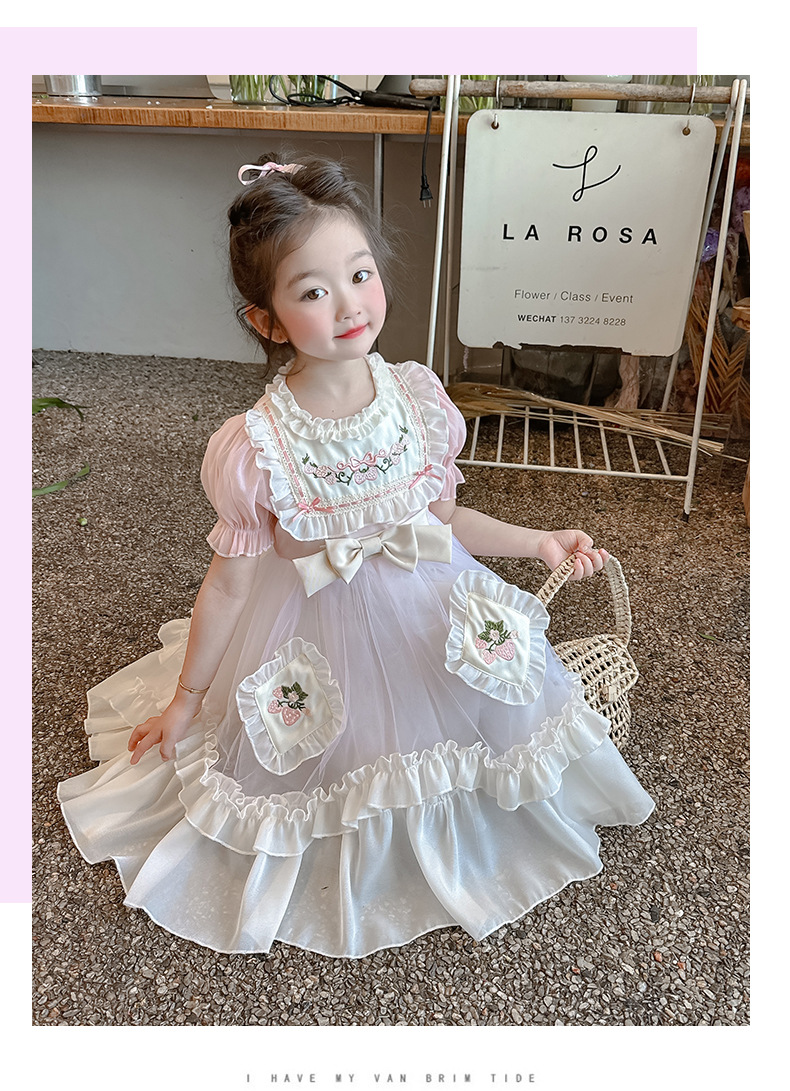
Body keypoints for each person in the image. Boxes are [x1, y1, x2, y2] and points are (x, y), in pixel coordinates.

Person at [58, 155, 654, 958]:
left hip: (427, 600)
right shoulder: (255, 448)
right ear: (267, 320)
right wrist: (188, 699)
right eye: (313, 291)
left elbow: (445, 521)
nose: (349, 305)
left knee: (494, 705)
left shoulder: (419, 399)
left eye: (360, 274)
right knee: (313, 745)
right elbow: (229, 586)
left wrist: (536, 543)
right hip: (312, 625)